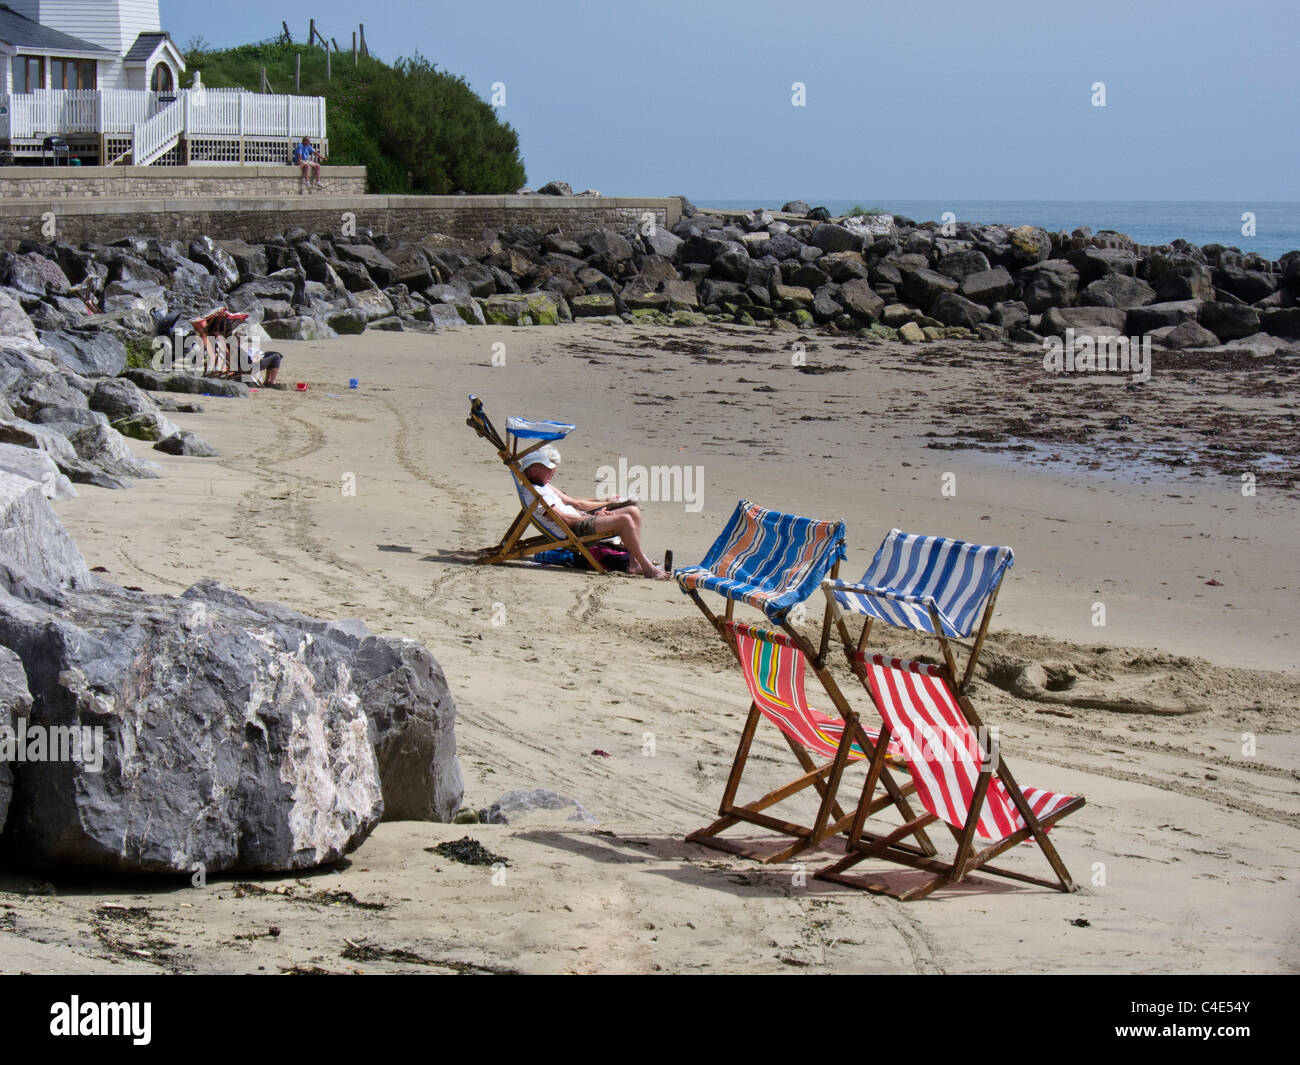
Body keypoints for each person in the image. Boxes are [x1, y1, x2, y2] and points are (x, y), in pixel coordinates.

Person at [521, 447, 667, 579]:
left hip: (577, 521)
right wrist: (591, 517)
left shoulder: (541, 487)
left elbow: (573, 503)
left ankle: (634, 563)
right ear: (534, 470)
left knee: (633, 511)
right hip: (573, 530)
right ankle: (647, 567)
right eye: (549, 468)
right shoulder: (537, 494)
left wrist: (602, 505)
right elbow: (562, 518)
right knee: (625, 520)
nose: (554, 471)